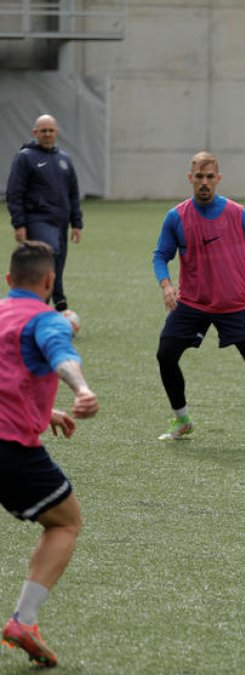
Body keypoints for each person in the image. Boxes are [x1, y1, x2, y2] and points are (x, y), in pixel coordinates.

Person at [151, 151, 245, 448]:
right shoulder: (176, 216)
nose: (204, 183)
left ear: (218, 179)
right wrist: (166, 285)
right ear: (190, 179)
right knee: (166, 355)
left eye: (209, 177)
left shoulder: (236, 212)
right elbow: (160, 256)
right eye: (199, 177)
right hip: (192, 303)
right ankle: (182, 419)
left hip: (233, 305)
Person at [0, 241, 98, 667]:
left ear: (8, 281)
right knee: (65, 522)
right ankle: (24, 619)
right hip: (10, 450)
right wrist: (81, 389)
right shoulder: (47, 319)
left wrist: (46, 410)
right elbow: (62, 357)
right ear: (49, 281)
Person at [5, 115, 83, 313]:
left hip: (61, 224)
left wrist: (76, 223)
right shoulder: (25, 158)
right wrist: (19, 224)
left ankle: (52, 302)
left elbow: (73, 193)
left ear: (56, 132)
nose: (47, 134)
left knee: (58, 263)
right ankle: (53, 302)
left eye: (51, 130)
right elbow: (14, 193)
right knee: (49, 256)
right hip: (37, 220)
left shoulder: (64, 159)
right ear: (35, 133)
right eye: (43, 130)